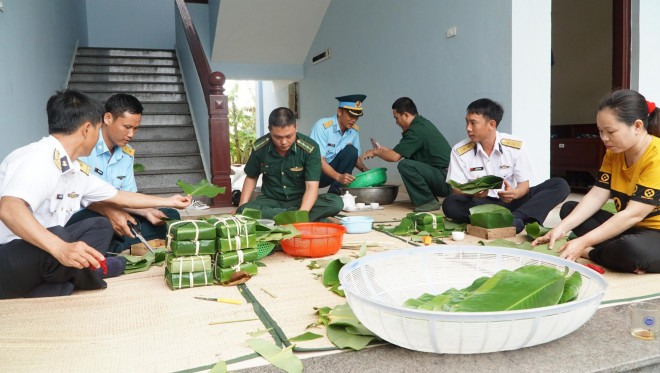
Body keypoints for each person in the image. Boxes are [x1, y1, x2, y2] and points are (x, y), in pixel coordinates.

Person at [0, 90, 191, 299]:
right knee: (61, 235)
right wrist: (61, 248)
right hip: (9, 255)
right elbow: (10, 209)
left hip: (38, 253)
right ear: (87, 129)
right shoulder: (37, 159)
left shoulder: (72, 169)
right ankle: (80, 276)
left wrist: (169, 201)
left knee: (100, 226)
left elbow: (118, 195)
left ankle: (66, 280)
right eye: (99, 129)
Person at [532, 90, 660, 273]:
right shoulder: (614, 153)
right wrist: (560, 229)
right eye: (600, 131)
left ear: (637, 126)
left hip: (653, 232)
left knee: (631, 250)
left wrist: (583, 243)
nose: (604, 138)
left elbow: (633, 214)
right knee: (570, 210)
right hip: (630, 229)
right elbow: (597, 194)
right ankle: (616, 255)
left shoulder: (657, 157)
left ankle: (592, 253)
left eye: (611, 132)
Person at [69, 94, 179, 253]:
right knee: (103, 224)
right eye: (127, 127)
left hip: (117, 211)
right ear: (108, 118)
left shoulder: (126, 154)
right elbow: (80, 194)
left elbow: (127, 196)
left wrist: (147, 211)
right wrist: (111, 213)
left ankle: (112, 246)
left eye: (135, 128)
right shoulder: (85, 145)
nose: (131, 134)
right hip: (85, 215)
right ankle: (116, 245)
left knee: (169, 216)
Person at [442, 98, 570, 232]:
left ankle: (516, 217)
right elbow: (456, 189)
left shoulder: (515, 145)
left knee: (559, 185)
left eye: (473, 123)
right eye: (467, 122)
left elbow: (524, 186)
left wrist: (514, 194)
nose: (468, 128)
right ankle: (515, 219)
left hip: (512, 203)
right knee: (450, 203)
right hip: (480, 204)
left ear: (491, 124)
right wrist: (474, 193)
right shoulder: (460, 150)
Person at [236, 107, 343, 221]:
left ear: (296, 127)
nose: (283, 142)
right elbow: (251, 177)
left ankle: (284, 219)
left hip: (301, 201)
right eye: (277, 137)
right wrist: (240, 208)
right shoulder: (260, 147)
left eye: (288, 136)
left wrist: (302, 213)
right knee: (244, 211)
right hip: (271, 202)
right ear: (269, 129)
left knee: (336, 203)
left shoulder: (310, 149)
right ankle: (303, 219)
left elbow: (311, 187)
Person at [360, 97, 452, 212]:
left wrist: (375, 152)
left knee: (405, 165)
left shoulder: (416, 130)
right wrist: (384, 151)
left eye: (396, 118)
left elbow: (394, 157)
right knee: (410, 161)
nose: (396, 122)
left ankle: (428, 201)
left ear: (406, 115)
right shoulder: (420, 124)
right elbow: (398, 152)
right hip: (445, 178)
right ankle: (428, 199)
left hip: (446, 181)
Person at [310, 94, 369, 195]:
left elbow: (354, 156)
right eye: (351, 116)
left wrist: (366, 171)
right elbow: (318, 160)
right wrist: (338, 177)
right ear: (339, 112)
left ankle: (335, 194)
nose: (354, 120)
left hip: (332, 174)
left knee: (351, 151)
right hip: (314, 174)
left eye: (357, 117)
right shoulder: (322, 127)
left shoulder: (353, 131)